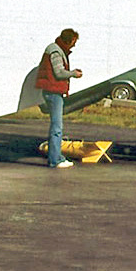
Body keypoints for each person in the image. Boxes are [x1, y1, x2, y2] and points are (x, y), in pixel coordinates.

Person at [36, 29, 83, 168]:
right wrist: (73, 73)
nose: (74, 46)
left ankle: (57, 157)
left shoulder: (54, 49)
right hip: (53, 92)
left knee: (56, 126)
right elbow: (59, 73)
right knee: (57, 127)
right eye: (73, 42)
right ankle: (55, 160)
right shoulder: (56, 52)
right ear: (68, 40)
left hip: (51, 92)